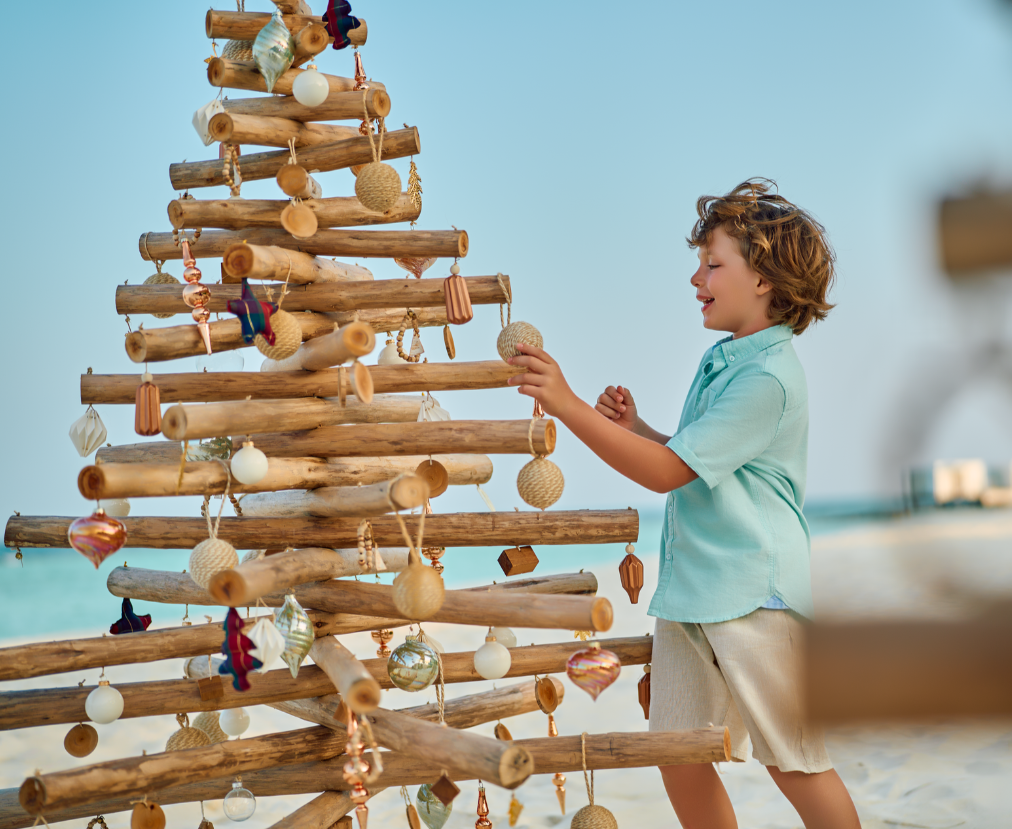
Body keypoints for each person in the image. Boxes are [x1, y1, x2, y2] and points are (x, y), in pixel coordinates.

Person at [506, 179, 861, 829]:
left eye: (712, 263)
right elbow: (698, 461)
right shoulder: (721, 360)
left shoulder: (769, 376)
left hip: (756, 594)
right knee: (677, 752)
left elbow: (669, 474)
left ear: (764, 280)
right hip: (693, 589)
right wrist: (637, 427)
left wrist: (570, 406)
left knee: (796, 760)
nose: (695, 275)